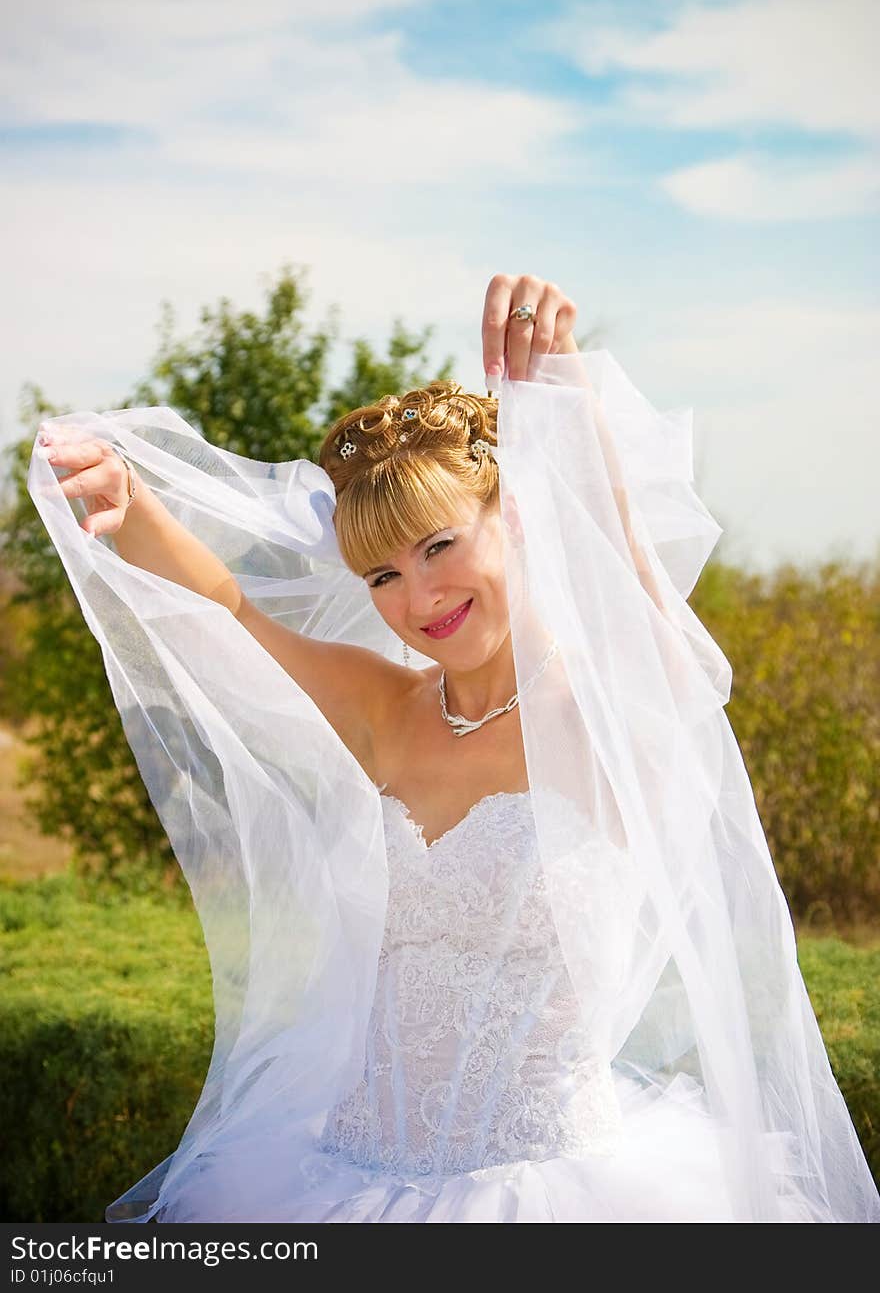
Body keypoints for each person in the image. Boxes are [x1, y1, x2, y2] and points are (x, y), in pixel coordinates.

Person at [28, 273, 880, 1223]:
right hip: (337, 1179)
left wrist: (570, 406)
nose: (416, 597)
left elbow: (656, 637)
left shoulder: (602, 715)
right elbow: (227, 612)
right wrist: (131, 501)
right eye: (383, 573)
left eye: (438, 546)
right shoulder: (384, 708)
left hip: (547, 1192)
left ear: (512, 519)